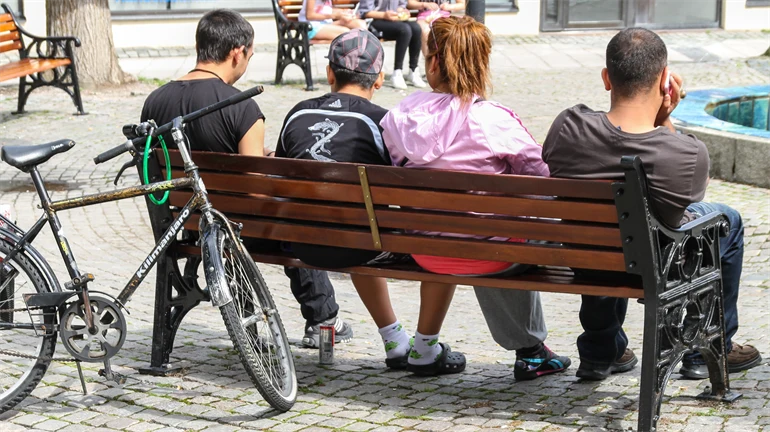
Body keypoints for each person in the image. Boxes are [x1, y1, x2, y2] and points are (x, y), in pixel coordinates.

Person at [542, 27, 762, 381]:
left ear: (605, 78)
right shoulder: (686, 152)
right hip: (656, 266)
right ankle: (707, 347)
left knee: (603, 231)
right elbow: (690, 199)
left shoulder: (567, 126)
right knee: (728, 220)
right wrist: (665, 120)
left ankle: (601, 351)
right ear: (665, 81)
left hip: (587, 259)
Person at [141, 8, 353, 349]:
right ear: (236, 52)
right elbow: (255, 188)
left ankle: (255, 326)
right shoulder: (242, 107)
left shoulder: (155, 101)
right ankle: (323, 318)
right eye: (249, 56)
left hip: (185, 225)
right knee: (294, 218)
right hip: (236, 228)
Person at [380, 16, 572, 381]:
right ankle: (532, 352)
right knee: (504, 229)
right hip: (489, 253)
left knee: (480, 227)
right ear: (481, 64)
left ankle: (435, 342)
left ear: (434, 63)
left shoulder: (400, 118)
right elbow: (546, 178)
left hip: (425, 248)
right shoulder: (494, 121)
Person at [276, 29, 422, 372]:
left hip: (301, 245)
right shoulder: (384, 122)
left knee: (353, 225)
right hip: (362, 246)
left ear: (330, 73)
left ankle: (392, 337)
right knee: (363, 227)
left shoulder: (297, 114)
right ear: (379, 79)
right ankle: (400, 340)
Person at [358, 0, 425, 90]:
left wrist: (402, 11)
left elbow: (401, 5)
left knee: (416, 28)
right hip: (374, 21)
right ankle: (397, 71)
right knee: (404, 30)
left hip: (394, 21)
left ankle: (413, 70)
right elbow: (364, 12)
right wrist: (384, 15)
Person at [299, 0, 366, 43]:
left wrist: (344, 12)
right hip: (310, 26)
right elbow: (309, 16)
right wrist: (335, 16)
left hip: (326, 24)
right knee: (346, 33)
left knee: (360, 24)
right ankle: (319, 42)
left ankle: (366, 51)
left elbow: (326, 10)